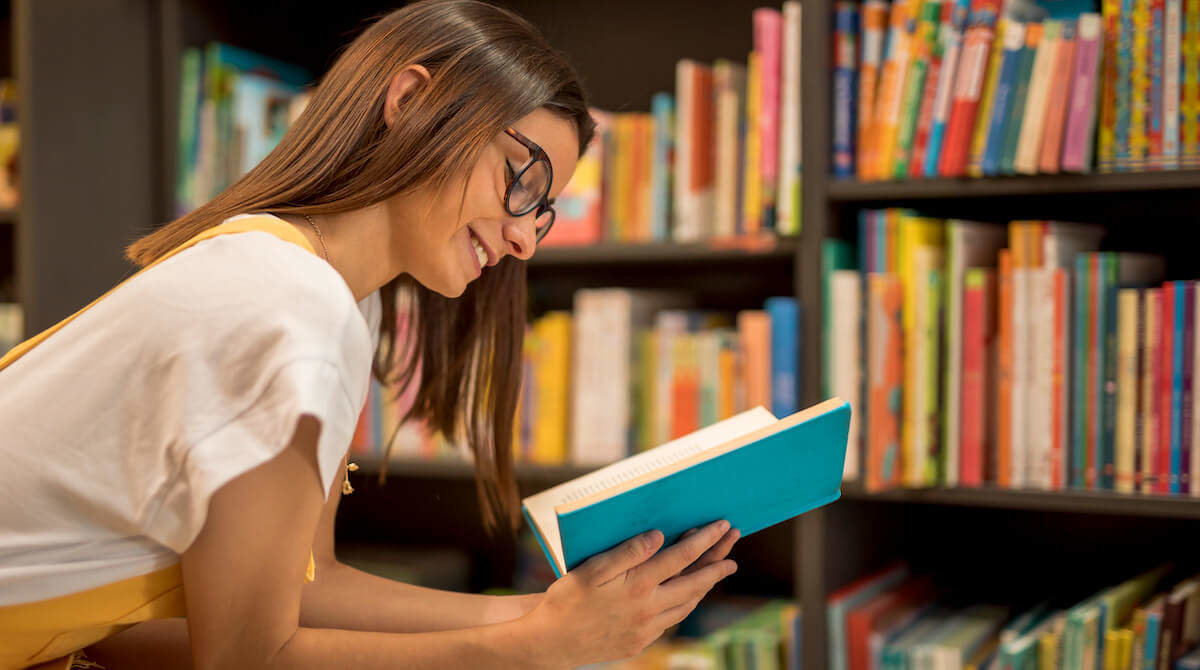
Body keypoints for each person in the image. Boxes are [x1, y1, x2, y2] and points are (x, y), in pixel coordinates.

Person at [0, 2, 740, 668]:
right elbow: (247, 658)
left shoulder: (328, 291)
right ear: (412, 100)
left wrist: (542, 617)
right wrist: (527, 648)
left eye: (543, 212)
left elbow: (304, 587)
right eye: (521, 178)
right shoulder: (291, 307)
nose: (525, 240)